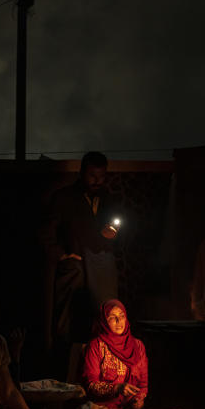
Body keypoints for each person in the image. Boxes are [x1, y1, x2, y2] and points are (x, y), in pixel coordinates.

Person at [41, 151, 121, 369]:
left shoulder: (109, 199)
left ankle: (101, 381)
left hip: (102, 268)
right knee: (65, 329)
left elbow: (122, 229)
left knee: (104, 323)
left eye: (101, 175)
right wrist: (61, 255)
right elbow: (46, 232)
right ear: (82, 172)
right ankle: (60, 383)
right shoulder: (64, 197)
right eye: (92, 175)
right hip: (74, 268)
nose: (97, 180)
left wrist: (113, 235)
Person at [82, 300, 148, 409]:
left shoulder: (138, 346)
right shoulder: (96, 346)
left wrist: (138, 401)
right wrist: (117, 388)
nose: (119, 321)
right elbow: (90, 385)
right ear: (104, 321)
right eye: (112, 317)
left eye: (122, 316)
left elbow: (143, 384)